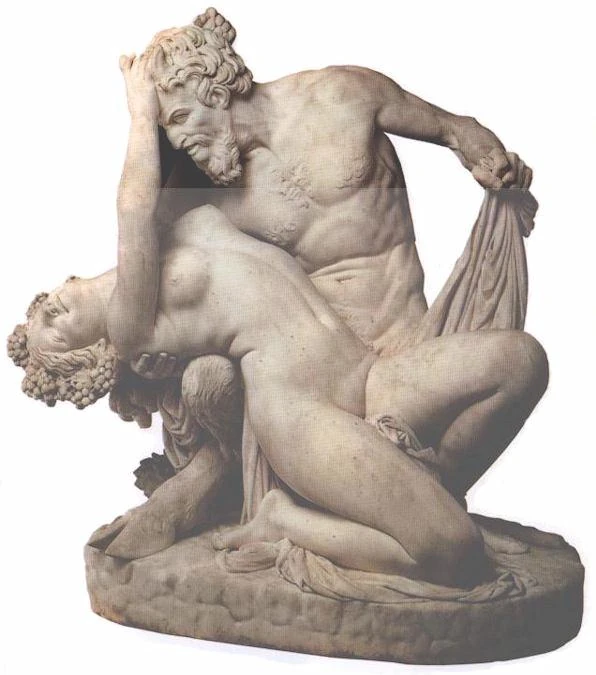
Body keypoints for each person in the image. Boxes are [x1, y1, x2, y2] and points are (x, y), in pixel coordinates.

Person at [12, 53, 548, 589]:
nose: (50, 311)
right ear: (92, 355)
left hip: (366, 375)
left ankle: (428, 496)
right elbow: (132, 205)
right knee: (454, 551)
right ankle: (286, 520)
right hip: (303, 415)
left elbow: (186, 178)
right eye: (53, 334)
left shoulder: (179, 221)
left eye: (43, 308)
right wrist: (138, 109)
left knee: (521, 360)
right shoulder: (131, 325)